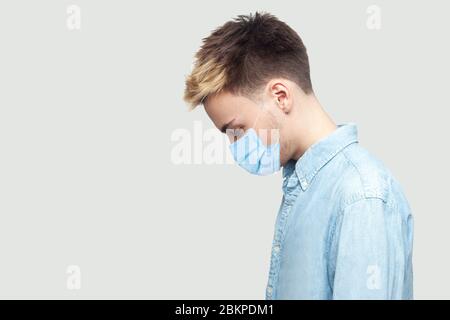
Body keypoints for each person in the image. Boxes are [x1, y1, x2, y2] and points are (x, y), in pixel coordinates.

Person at [183, 11, 413, 300]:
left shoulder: (360, 195)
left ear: (281, 95)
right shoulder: (306, 188)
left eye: (237, 130)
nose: (235, 146)